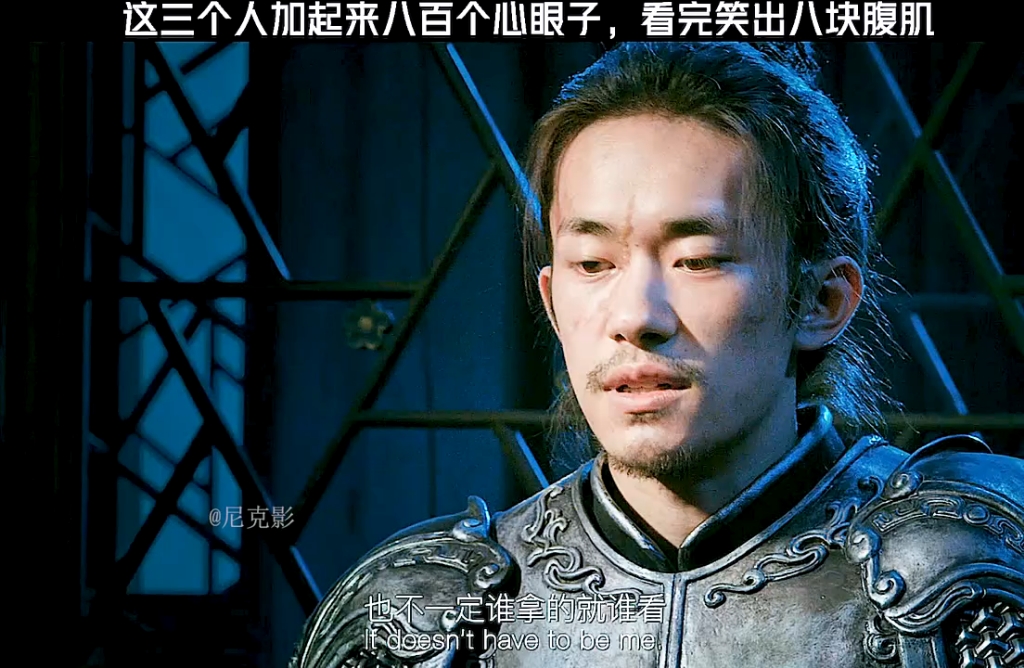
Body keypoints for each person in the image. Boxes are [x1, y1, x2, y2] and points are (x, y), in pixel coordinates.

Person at [289, 42, 1023, 668]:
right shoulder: (423, 610)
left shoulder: (979, 566)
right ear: (552, 301)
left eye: (697, 260)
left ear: (822, 300)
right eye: (592, 263)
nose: (636, 317)